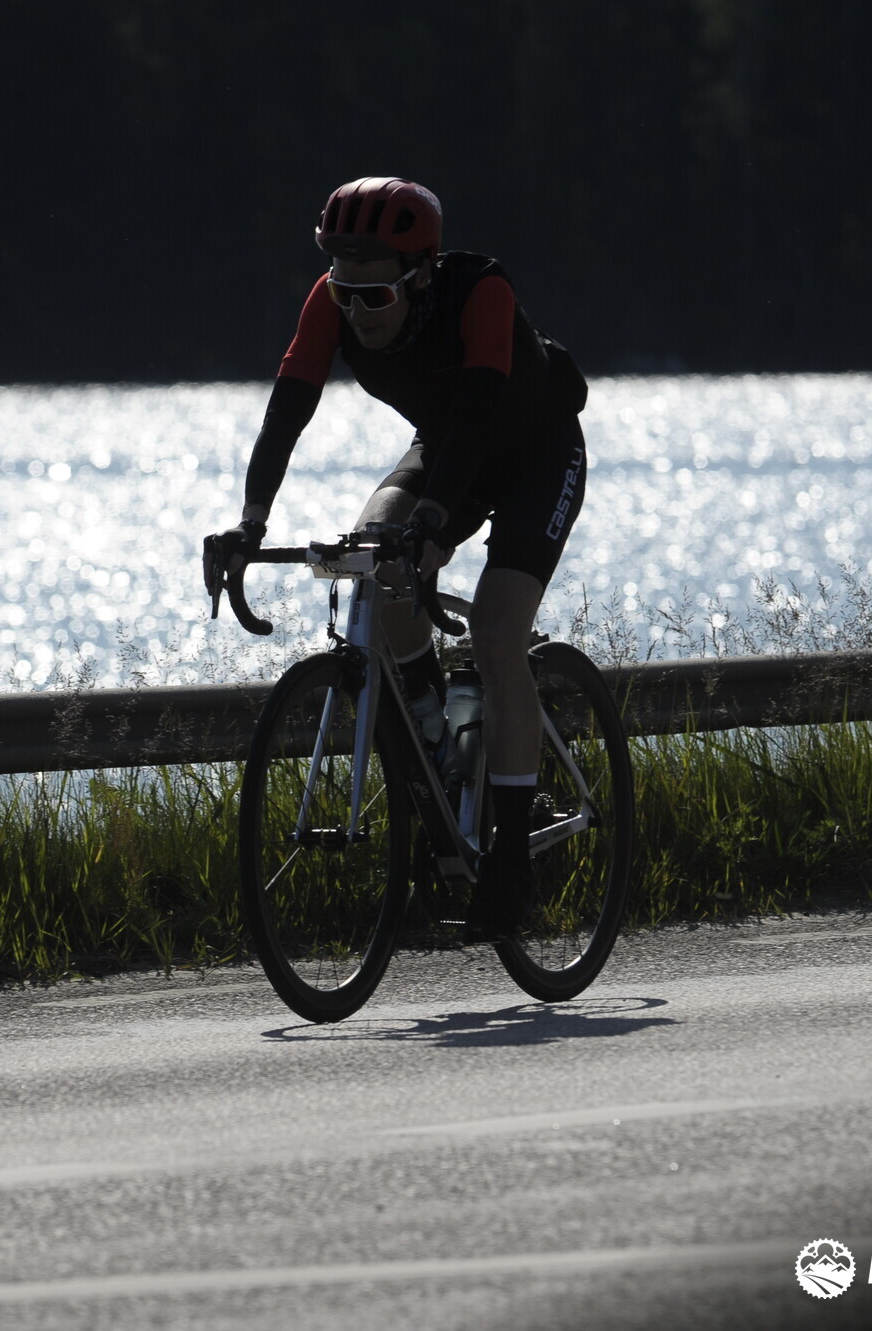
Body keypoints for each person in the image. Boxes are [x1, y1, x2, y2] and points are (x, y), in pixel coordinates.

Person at [205, 176, 589, 943]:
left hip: (534, 452)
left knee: (497, 629)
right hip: (443, 449)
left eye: (374, 296)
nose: (355, 310)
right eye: (344, 292)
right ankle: (440, 748)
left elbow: (479, 414)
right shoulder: (332, 301)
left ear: (420, 275)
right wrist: (250, 522)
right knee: (373, 558)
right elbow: (287, 410)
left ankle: (512, 853)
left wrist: (436, 526)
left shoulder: (479, 292)